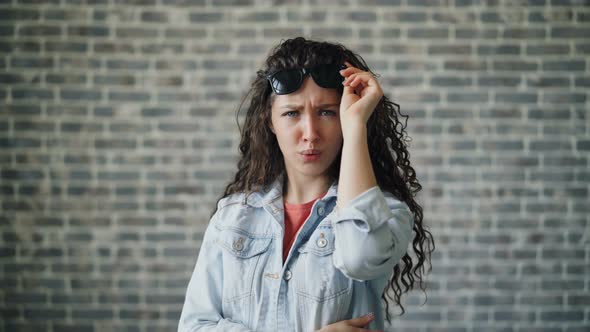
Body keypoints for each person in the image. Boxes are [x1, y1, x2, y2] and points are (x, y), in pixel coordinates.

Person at [178, 37, 435, 332]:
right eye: (291, 113)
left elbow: (359, 257)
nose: (310, 134)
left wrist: (355, 127)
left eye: (327, 112)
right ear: (270, 122)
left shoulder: (386, 213)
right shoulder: (232, 216)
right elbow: (195, 326)